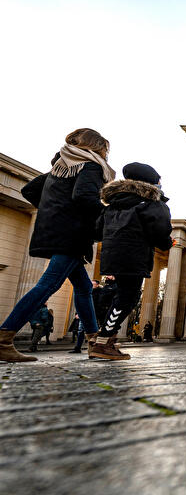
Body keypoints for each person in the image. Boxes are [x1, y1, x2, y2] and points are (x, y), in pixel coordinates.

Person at [0, 128, 112, 363]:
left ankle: (94, 343)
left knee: (83, 288)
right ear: (97, 147)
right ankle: (3, 339)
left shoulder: (60, 168)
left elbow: (29, 190)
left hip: (57, 232)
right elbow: (85, 198)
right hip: (72, 236)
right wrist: (112, 216)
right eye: (105, 149)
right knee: (47, 285)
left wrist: (54, 211)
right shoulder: (90, 166)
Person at [89, 162, 173, 360]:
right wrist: (167, 243)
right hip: (135, 255)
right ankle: (104, 341)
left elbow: (97, 231)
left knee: (121, 296)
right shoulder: (153, 203)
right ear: (151, 182)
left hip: (113, 255)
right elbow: (161, 231)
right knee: (128, 297)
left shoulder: (112, 204)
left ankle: (102, 340)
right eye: (158, 180)